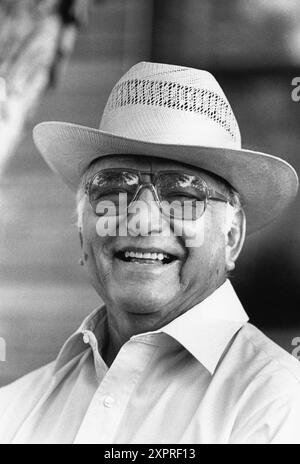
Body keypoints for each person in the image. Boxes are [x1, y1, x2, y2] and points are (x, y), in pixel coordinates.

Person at [0, 61, 299, 444]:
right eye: (112, 190)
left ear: (232, 238)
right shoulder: (15, 410)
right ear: (81, 233)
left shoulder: (278, 406)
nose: (141, 220)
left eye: (183, 193)